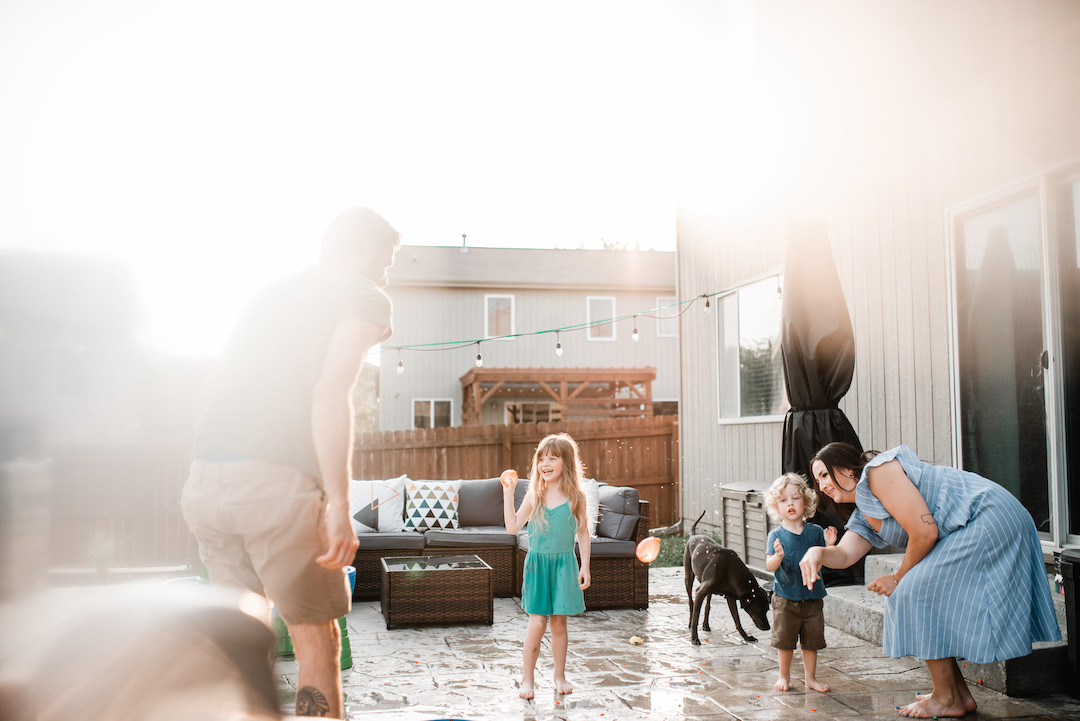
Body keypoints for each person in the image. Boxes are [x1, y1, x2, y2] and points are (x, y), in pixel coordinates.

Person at [182, 207, 400, 719]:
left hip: (205, 483)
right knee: (316, 637)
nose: (387, 273)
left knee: (242, 639)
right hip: (273, 487)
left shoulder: (268, 294)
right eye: (386, 259)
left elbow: (212, 387)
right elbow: (330, 393)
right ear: (365, 250)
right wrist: (340, 503)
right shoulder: (363, 293)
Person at [800, 443, 1061, 719]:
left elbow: (924, 532)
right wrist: (817, 552)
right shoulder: (864, 512)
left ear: (848, 469)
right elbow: (844, 555)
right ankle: (956, 695)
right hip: (973, 523)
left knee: (912, 591)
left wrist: (897, 577)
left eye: (825, 474)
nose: (822, 485)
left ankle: (945, 697)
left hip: (989, 515)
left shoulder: (878, 472)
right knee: (916, 593)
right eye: (818, 481)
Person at [501, 432, 592, 700]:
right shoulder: (534, 496)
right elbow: (512, 527)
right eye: (541, 458)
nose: (545, 463)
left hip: (564, 565)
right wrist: (508, 494)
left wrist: (584, 565)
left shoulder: (577, 498)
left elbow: (584, 533)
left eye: (552, 458)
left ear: (566, 463)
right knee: (537, 623)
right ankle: (527, 679)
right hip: (538, 567)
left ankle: (559, 676)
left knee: (559, 625)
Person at [764, 472, 837, 694]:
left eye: (795, 498)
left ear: (805, 501)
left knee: (811, 642)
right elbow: (770, 566)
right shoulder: (775, 535)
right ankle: (783, 675)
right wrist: (777, 556)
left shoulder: (814, 532)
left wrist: (830, 547)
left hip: (812, 598)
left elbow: (822, 564)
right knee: (785, 642)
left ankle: (810, 678)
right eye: (784, 500)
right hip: (786, 598)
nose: (790, 504)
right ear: (777, 506)